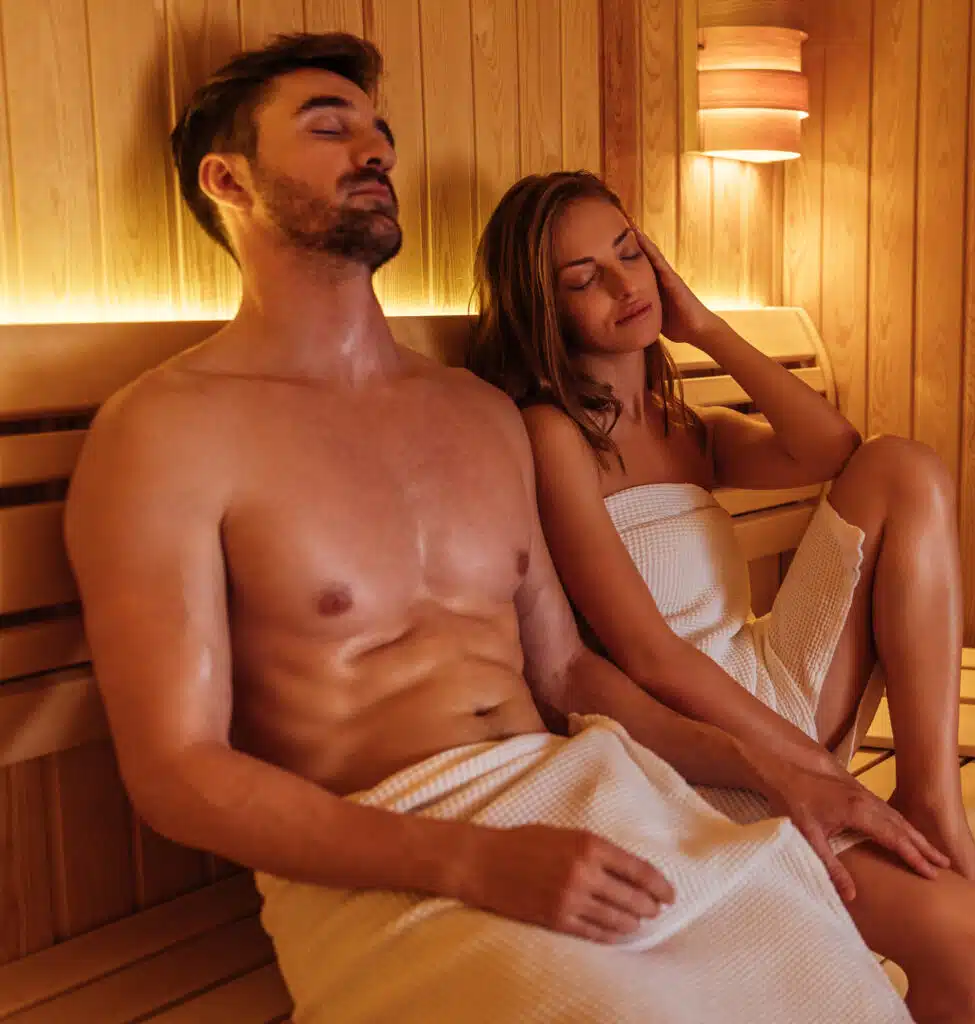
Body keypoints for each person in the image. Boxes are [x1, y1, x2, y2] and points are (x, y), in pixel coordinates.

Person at [64, 32, 927, 1024]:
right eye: (329, 127)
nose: (374, 149)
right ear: (228, 178)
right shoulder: (166, 431)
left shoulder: (475, 413)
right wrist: (474, 860)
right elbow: (178, 770)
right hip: (384, 850)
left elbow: (566, 675)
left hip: (588, 788)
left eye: (379, 132)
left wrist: (774, 771)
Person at [467, 170, 975, 1024]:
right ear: (543, 312)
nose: (626, 285)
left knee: (904, 466)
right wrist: (806, 771)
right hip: (695, 747)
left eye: (631, 253)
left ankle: (932, 795)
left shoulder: (684, 424)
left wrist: (704, 327)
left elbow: (833, 447)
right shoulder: (555, 437)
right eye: (585, 278)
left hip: (773, 680)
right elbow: (650, 656)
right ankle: (891, 808)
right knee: (970, 945)